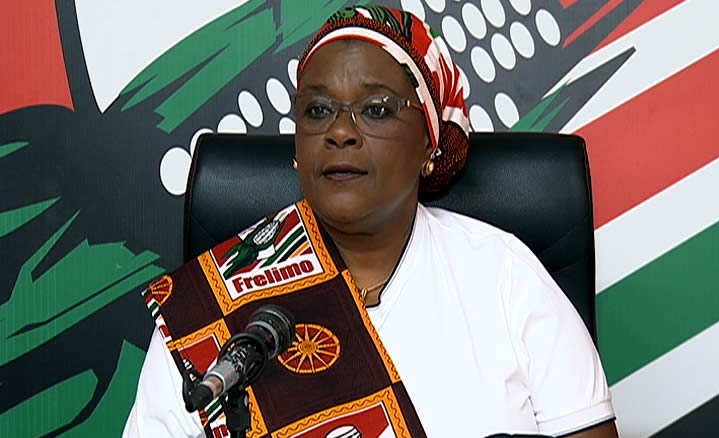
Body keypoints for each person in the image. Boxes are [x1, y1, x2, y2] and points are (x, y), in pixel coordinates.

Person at [123, 6, 617, 438]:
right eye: (318, 109)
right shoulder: (209, 309)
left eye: (376, 110)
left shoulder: (505, 278)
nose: (340, 131)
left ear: (428, 143)